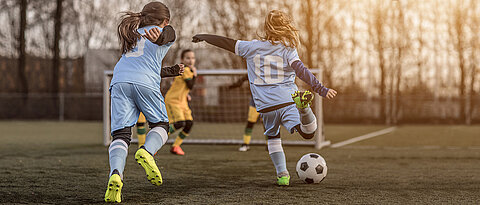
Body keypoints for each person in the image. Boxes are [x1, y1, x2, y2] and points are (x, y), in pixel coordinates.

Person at [192, 10, 337, 186]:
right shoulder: (288, 48)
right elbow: (301, 70)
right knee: (308, 134)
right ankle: (304, 108)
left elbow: (226, 42)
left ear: (266, 28)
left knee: (273, 138)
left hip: (265, 106)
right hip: (287, 99)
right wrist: (320, 89)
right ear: (285, 27)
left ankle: (282, 175)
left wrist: (205, 36)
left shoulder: (251, 47)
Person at [105, 2, 183, 202]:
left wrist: (170, 71)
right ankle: (147, 151)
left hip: (120, 81)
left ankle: (116, 174)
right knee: (161, 126)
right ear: (165, 21)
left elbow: (142, 64)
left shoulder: (133, 33)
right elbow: (169, 35)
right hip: (145, 83)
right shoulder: (164, 30)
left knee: (120, 135)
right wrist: (161, 38)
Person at [165, 49, 197, 155]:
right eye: (188, 58)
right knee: (180, 123)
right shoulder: (186, 70)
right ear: (182, 59)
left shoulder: (186, 71)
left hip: (182, 101)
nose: (191, 60)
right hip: (173, 101)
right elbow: (190, 85)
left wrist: (185, 94)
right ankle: (154, 141)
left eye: (193, 58)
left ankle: (176, 146)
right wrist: (195, 75)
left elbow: (181, 86)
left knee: (189, 123)